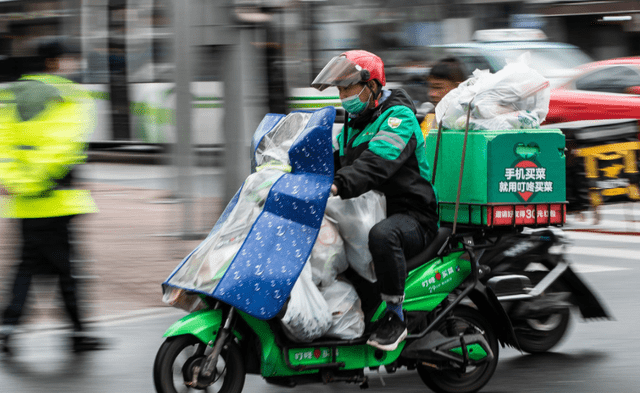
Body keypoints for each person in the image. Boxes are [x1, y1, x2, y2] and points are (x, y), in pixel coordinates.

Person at [311, 50, 439, 351]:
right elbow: (328, 161)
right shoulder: (353, 124)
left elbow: (376, 162)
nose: (343, 96)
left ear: (372, 86)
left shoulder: (399, 119)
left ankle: (396, 318)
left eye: (348, 88)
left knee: (382, 236)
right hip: (368, 211)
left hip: (411, 215)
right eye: (340, 90)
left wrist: (338, 185)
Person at [0, 40, 104, 355]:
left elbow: (4, 148)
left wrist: (20, 183)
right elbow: (66, 147)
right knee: (64, 269)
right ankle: (77, 333)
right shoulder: (68, 97)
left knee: (29, 266)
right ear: (55, 62)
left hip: (24, 202)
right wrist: (42, 181)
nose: (74, 65)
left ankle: (11, 328)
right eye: (70, 59)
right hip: (56, 201)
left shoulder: (11, 96)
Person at [420, 57, 467, 136]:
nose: (431, 94)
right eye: (430, 87)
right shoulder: (431, 117)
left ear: (458, 87)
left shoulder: (472, 120)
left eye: (438, 87)